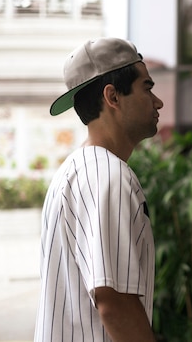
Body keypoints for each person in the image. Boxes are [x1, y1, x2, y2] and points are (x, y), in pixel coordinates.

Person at [34, 37, 164, 342]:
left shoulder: (79, 168)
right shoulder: (107, 176)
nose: (158, 101)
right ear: (113, 97)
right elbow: (114, 301)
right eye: (147, 87)